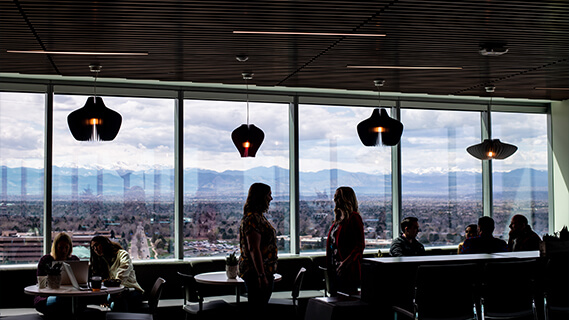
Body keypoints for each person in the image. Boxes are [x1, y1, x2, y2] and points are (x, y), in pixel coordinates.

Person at [238, 183, 278, 318]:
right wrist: (261, 275)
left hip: (261, 271)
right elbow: (253, 248)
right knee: (258, 311)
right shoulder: (253, 218)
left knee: (258, 309)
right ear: (260, 197)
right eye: (268, 195)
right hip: (257, 273)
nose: (271, 198)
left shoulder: (256, 217)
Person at [326, 186, 365, 296]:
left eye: (338, 197)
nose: (335, 200)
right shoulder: (338, 221)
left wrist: (345, 263)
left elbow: (359, 246)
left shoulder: (354, 218)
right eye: (335, 197)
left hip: (347, 271)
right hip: (335, 270)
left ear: (346, 199)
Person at [89, 235, 144, 312]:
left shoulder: (122, 255)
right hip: (114, 293)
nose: (95, 249)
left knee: (119, 301)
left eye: (96, 245)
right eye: (93, 247)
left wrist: (116, 286)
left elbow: (123, 271)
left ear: (104, 243)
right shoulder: (103, 261)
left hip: (132, 291)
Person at [35, 232, 79, 316]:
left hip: (71, 295)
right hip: (47, 297)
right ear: (55, 247)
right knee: (62, 301)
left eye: (66, 247)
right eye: (60, 247)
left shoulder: (74, 260)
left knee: (68, 301)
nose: (64, 250)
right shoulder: (46, 260)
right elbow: (41, 283)